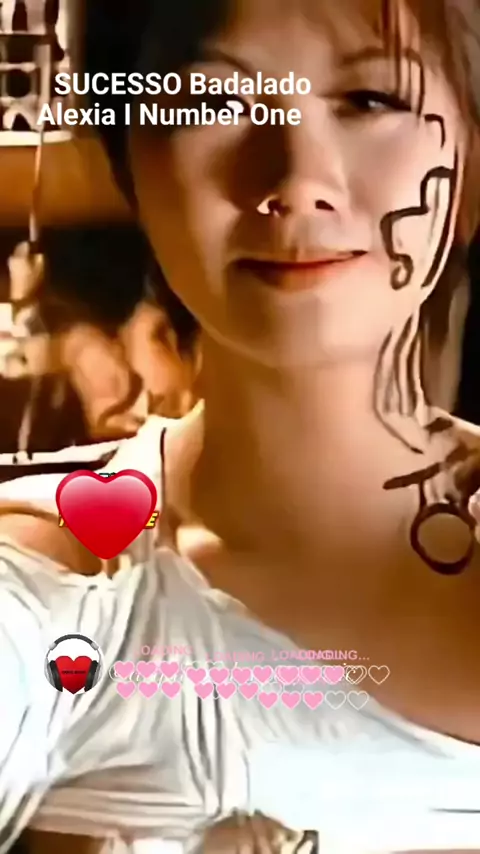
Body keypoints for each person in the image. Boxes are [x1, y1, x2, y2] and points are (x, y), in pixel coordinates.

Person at [2, 0, 480, 852]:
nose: (296, 179)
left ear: (469, 158)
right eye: (213, 101)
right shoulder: (57, 591)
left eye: (370, 99)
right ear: (130, 162)